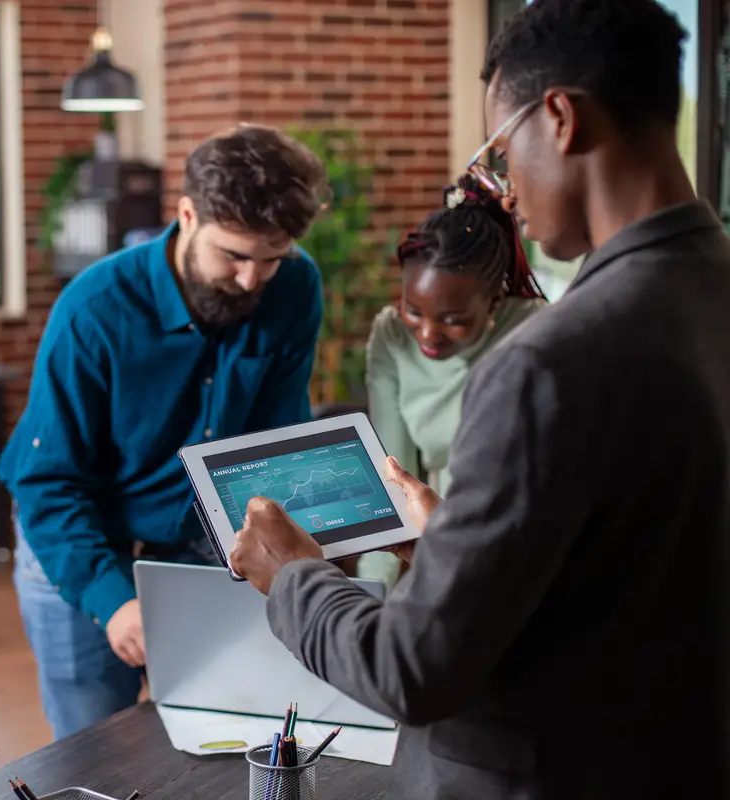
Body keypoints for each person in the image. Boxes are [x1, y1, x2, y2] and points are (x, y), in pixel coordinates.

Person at [229, 1, 730, 797]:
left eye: (500, 148)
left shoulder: (550, 363)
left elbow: (413, 671)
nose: (502, 186)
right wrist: (452, 553)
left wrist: (294, 574)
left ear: (559, 117)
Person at [0, 124, 327, 740]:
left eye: (272, 257)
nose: (254, 279)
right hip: (80, 538)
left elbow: (274, 444)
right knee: (95, 747)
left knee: (219, 733)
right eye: (233, 255)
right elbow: (47, 484)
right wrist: (114, 601)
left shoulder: (296, 285)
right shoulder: (94, 309)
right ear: (186, 216)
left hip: (197, 544)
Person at [356, 174, 547, 587]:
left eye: (452, 320)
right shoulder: (392, 337)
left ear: (494, 301)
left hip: (522, 552)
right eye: (414, 310)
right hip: (441, 544)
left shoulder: (536, 334)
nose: (427, 334)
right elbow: (393, 479)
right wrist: (372, 593)